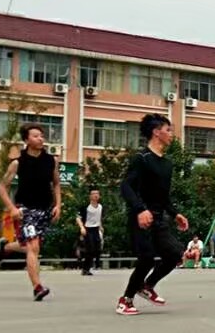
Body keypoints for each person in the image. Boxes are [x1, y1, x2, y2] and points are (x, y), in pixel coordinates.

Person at [117, 113, 190, 316]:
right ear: (156, 132)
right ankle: (126, 300)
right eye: (168, 130)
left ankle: (147, 286)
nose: (171, 134)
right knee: (147, 258)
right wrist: (140, 210)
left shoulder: (167, 164)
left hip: (158, 218)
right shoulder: (141, 159)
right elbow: (126, 187)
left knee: (175, 254)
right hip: (140, 218)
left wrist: (175, 214)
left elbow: (163, 196)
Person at [0, 125, 60, 301]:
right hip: (25, 209)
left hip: (45, 209)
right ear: (26, 140)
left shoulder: (51, 160)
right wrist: (12, 208)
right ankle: (37, 287)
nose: (41, 138)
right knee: (33, 246)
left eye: (42, 135)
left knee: (32, 246)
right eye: (36, 136)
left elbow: (56, 183)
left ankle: (6, 247)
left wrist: (58, 205)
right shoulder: (18, 163)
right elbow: (1, 187)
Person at [76, 188, 104, 275]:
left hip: (96, 229)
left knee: (97, 249)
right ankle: (85, 269)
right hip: (88, 229)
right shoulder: (86, 207)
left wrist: (100, 226)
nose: (95, 195)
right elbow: (78, 218)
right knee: (90, 249)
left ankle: (91, 265)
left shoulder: (100, 207)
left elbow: (98, 218)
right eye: (93, 194)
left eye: (97, 194)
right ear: (90, 196)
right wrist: (82, 227)